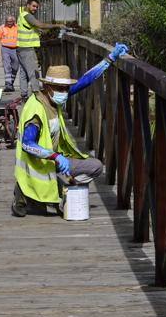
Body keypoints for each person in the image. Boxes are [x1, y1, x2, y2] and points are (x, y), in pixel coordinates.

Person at [12, 43, 130, 217]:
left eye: (67, 88)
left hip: (55, 160)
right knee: (51, 191)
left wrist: (109, 60)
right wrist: (55, 156)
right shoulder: (36, 109)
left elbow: (84, 81)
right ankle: (24, 192)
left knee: (95, 166)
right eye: (61, 89)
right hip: (36, 165)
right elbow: (27, 144)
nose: (65, 92)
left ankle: (63, 187)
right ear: (48, 87)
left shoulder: (56, 96)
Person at [16, 0, 64, 94]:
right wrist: (57, 25)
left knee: (24, 73)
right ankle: (37, 94)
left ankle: (24, 95)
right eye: (34, 6)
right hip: (27, 49)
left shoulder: (22, 15)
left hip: (21, 48)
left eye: (37, 7)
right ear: (28, 5)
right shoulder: (27, 15)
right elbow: (40, 25)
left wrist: (41, 31)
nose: (35, 9)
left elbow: (34, 28)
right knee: (34, 72)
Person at [0, 15, 19, 93]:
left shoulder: (17, 27)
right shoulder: (2, 27)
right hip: (5, 49)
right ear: (5, 21)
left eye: (11, 22)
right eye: (8, 22)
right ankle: (8, 85)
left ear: (13, 21)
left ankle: (10, 83)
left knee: (15, 67)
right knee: (7, 67)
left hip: (16, 49)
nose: (9, 23)